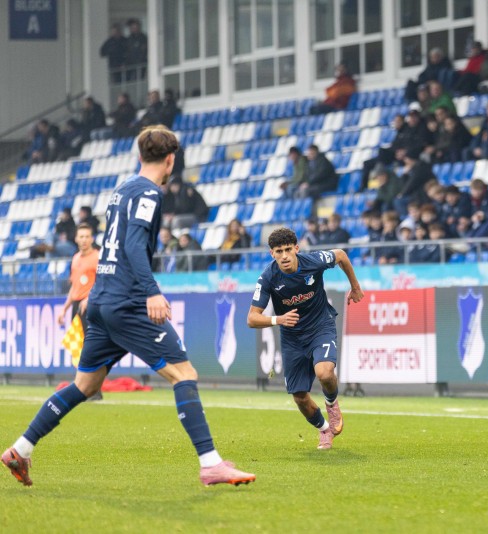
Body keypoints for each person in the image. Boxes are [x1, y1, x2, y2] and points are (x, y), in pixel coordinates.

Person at [2, 126, 255, 487]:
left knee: (85, 385)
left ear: (140, 157)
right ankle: (211, 463)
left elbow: (115, 245)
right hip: (128, 302)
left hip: (102, 303)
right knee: (185, 375)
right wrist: (151, 292)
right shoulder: (151, 193)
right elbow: (134, 247)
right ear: (170, 160)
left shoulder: (122, 189)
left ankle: (20, 449)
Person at [247, 228, 364, 449]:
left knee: (324, 372)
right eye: (279, 251)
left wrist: (355, 287)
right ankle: (324, 430)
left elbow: (340, 255)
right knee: (300, 397)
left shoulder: (313, 262)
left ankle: (332, 404)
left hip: (321, 326)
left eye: (288, 250)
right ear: (272, 253)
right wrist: (278, 320)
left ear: (296, 249)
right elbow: (252, 318)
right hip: (292, 338)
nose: (284, 256)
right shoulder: (268, 278)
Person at [55, 224, 100, 390]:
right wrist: (64, 309)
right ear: (76, 239)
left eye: (87, 236)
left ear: (92, 239)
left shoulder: (97, 257)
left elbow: (102, 282)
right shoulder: (75, 259)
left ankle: (95, 389)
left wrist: (90, 297)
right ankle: (84, 386)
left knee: (92, 346)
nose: (84, 240)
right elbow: (74, 286)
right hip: (77, 306)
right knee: (80, 346)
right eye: (81, 237)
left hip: (92, 305)